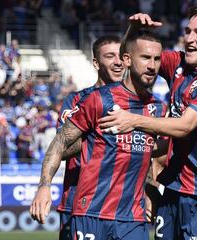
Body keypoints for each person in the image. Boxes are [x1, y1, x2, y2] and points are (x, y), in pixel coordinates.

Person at [99, 5, 197, 239]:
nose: (189, 38)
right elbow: (132, 55)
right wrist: (133, 31)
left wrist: (132, 120)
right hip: (173, 189)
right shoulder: (178, 64)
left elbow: (184, 126)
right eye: (188, 31)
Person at [30, 30, 167, 240]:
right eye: (146, 58)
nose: (152, 65)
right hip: (89, 209)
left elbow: (146, 155)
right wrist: (44, 186)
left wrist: (150, 189)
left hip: (132, 217)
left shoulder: (158, 108)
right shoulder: (92, 99)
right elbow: (61, 143)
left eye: (157, 59)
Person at [54, 35, 125, 240]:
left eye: (121, 56)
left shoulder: (136, 105)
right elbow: (62, 148)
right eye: (110, 56)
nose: (118, 62)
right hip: (77, 203)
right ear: (96, 63)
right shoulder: (76, 100)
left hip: (123, 209)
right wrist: (95, 133)